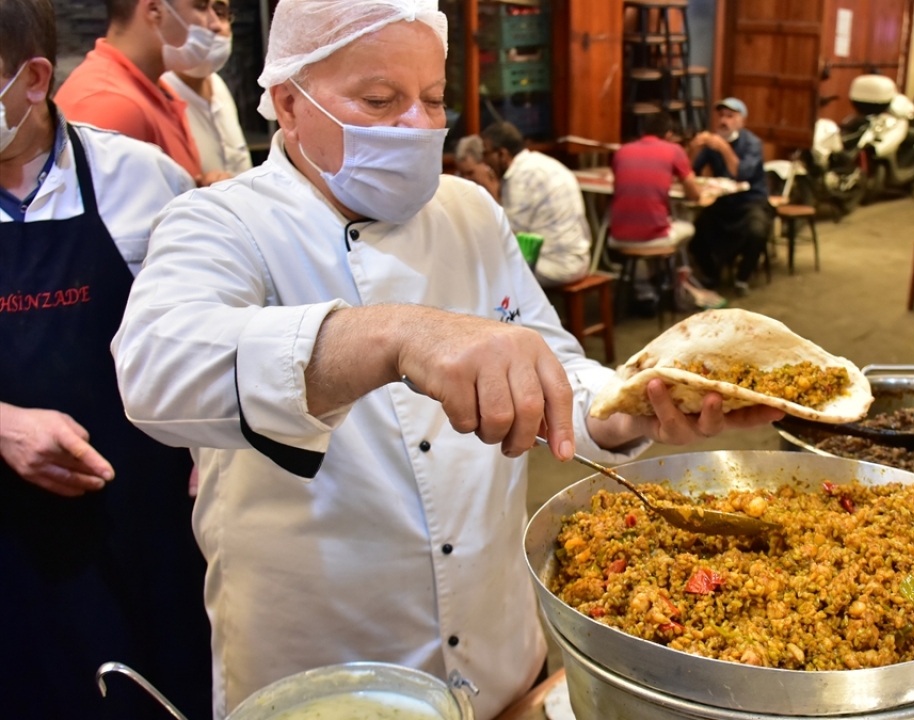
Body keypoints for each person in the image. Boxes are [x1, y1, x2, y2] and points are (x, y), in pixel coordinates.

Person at [111, 2, 783, 718]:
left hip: (498, 648)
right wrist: (396, 335)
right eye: (379, 100)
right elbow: (156, 370)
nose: (415, 125)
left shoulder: (469, 211)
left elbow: (551, 361)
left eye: (432, 99)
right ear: (289, 102)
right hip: (326, 669)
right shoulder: (223, 221)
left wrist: (630, 404)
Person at [0, 1, 211, 718]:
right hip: (13, 552)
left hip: (147, 531)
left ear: (34, 79)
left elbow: (216, 329)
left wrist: (217, 445)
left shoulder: (142, 182)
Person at [55, 0, 229, 185]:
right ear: (154, 10)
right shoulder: (109, 103)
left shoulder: (157, 88)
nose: (215, 24)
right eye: (201, 6)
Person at [478, 121, 592, 287]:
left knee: (481, 269)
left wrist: (491, 192)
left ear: (502, 154)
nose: (483, 161)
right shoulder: (540, 163)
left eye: (486, 153)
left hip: (554, 264)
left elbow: (509, 237)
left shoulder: (519, 179)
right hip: (579, 257)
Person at [688, 97, 772, 296]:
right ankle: (712, 273)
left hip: (751, 201)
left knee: (757, 230)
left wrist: (724, 148)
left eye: (730, 116)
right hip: (724, 201)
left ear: (742, 121)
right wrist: (693, 148)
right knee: (696, 231)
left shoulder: (752, 143)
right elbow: (690, 169)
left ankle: (743, 278)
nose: (723, 121)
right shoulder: (713, 142)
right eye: (721, 116)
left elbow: (740, 173)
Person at [161, 0, 253, 177]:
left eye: (220, 13)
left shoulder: (218, 85)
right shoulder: (159, 94)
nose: (215, 25)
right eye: (200, 8)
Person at [608, 112, 700, 252]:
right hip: (655, 237)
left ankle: (649, 265)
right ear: (669, 135)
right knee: (688, 227)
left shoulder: (622, 151)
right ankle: (670, 265)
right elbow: (695, 195)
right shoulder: (675, 150)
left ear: (642, 132)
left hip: (617, 236)